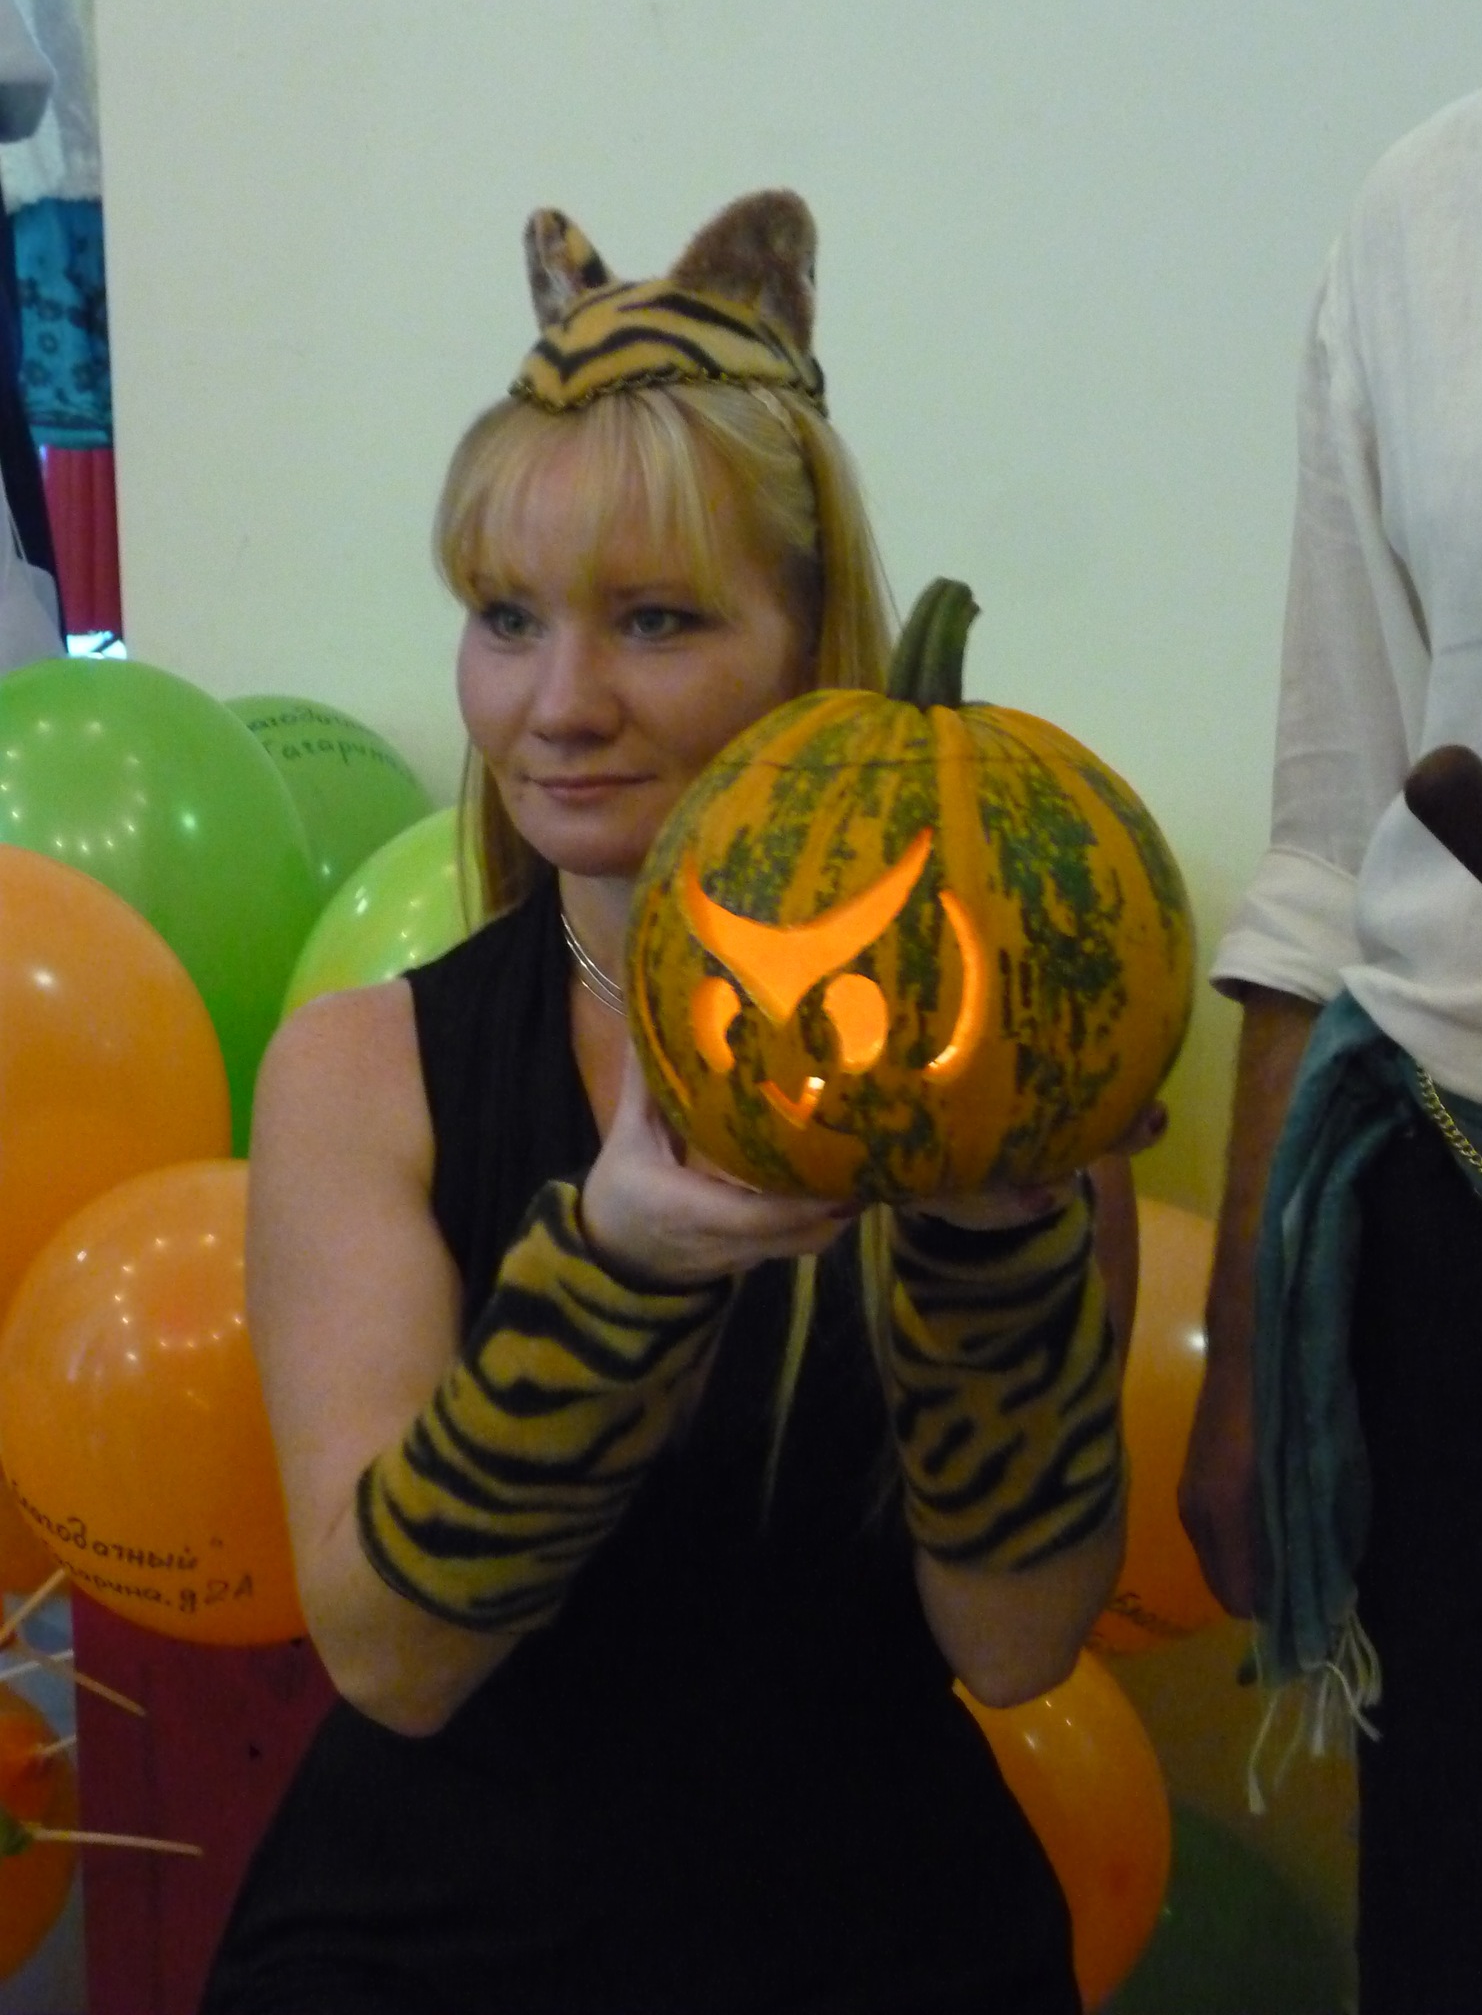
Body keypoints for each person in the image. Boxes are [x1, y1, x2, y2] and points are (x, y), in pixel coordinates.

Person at [199, 189, 1146, 2015]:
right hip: (435, 1942)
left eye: (653, 621)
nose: (559, 704)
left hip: (877, 1932)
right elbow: (394, 1659)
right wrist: (618, 1269)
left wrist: (991, 1254)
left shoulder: (1008, 1069)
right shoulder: (364, 1074)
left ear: (812, 645)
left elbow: (1019, 1642)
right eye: (505, 618)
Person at [1179, 50, 1482, 2015]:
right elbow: (1331, 833)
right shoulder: (1432, 212)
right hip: (1469, 1249)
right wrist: (1252, 1347)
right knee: (1473, 1915)